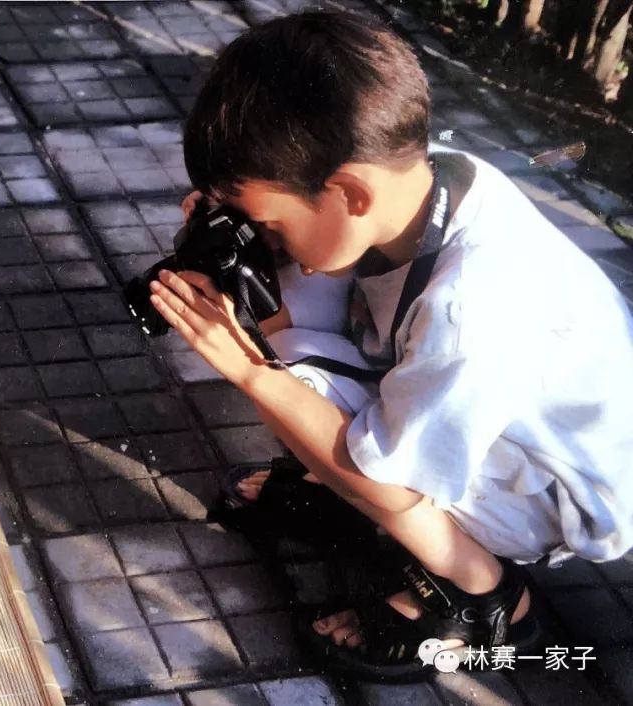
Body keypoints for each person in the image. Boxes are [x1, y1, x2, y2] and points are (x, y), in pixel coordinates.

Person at [148, 9, 633, 681]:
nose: (267, 238)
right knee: (298, 336)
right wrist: (248, 241)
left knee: (305, 399)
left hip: (553, 494)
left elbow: (392, 481)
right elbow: (325, 255)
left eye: (271, 223)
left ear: (348, 191)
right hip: (496, 411)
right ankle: (345, 484)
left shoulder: (472, 309)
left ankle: (488, 597)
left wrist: (252, 373)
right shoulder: (435, 179)